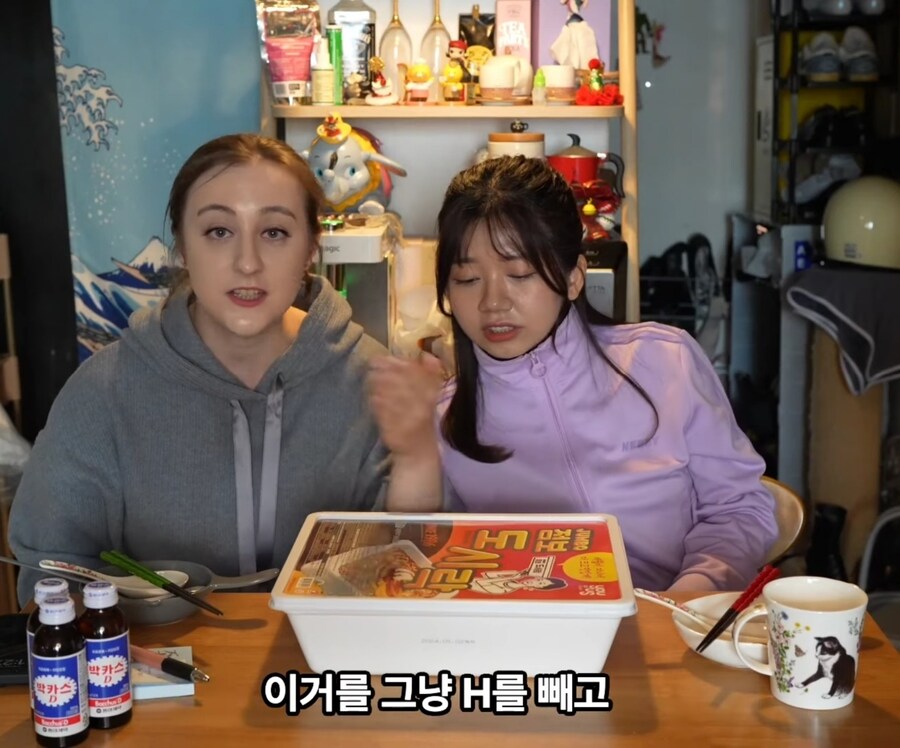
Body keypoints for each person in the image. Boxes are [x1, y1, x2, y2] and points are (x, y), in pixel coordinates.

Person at [9, 133, 421, 605]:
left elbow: (407, 569)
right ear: (182, 247)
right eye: (219, 232)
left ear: (312, 247)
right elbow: (49, 573)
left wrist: (419, 456)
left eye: (274, 232)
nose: (247, 263)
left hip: (324, 653)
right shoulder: (102, 393)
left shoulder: (372, 380)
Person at [368, 156, 779, 592]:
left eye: (520, 273)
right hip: (537, 631)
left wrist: (689, 596)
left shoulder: (663, 361)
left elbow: (738, 507)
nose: (493, 302)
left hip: (676, 619)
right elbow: (418, 570)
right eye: (468, 279)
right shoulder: (444, 420)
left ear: (574, 278)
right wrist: (414, 456)